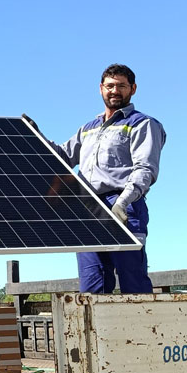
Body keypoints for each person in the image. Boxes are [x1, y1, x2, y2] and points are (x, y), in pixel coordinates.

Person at [54, 64, 166, 293]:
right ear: (101, 89)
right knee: (92, 285)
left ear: (133, 89)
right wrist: (32, 138)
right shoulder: (88, 128)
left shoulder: (142, 124)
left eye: (121, 86)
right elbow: (62, 156)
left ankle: (140, 329)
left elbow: (145, 169)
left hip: (123, 206)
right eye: (110, 86)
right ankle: (96, 329)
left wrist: (122, 202)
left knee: (132, 282)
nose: (115, 91)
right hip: (87, 208)